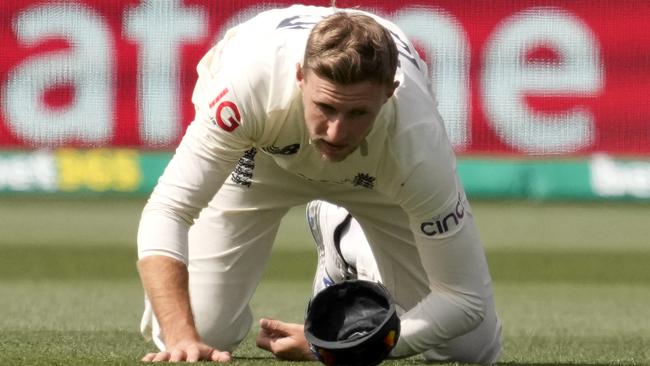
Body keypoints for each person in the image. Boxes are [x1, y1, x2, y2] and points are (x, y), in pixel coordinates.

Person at [137, 3, 502, 364]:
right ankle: (344, 229)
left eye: (357, 112)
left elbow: (463, 300)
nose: (336, 132)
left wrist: (328, 349)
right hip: (261, 156)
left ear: (389, 93)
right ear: (300, 76)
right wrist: (180, 334)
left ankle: (344, 238)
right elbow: (168, 209)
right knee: (200, 333)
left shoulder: (417, 139)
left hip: (373, 177)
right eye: (325, 107)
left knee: (468, 349)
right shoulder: (249, 83)